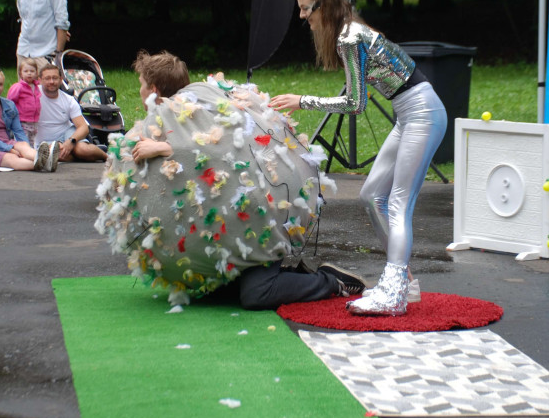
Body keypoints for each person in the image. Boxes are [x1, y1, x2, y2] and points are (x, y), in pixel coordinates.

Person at [123, 50, 367, 310]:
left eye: (140, 85)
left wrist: (167, 149)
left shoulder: (202, 110)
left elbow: (219, 151)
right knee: (220, 287)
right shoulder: (169, 121)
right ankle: (293, 275)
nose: (138, 91)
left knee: (256, 295)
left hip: (263, 217)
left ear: (154, 91)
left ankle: (329, 282)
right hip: (235, 226)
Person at [271, 0, 447, 317]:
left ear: (325, 6)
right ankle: (404, 282)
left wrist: (302, 100)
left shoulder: (349, 37)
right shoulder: (350, 31)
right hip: (410, 113)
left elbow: (355, 103)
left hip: (422, 113)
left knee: (397, 203)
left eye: (307, 9)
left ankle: (395, 291)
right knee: (370, 196)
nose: (303, 16)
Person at [0, 62, 59, 172]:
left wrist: (25, 147)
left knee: (22, 146)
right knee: (12, 158)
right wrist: (9, 149)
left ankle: (44, 158)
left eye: (0, 84)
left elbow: (18, 131)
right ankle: (44, 163)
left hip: (6, 142)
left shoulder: (9, 105)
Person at [34, 63, 107, 162]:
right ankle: (77, 156)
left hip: (66, 134)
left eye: (55, 78)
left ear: (60, 79)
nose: (51, 81)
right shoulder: (32, 95)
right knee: (55, 154)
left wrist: (71, 141)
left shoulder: (69, 100)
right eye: (47, 78)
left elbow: (83, 127)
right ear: (40, 80)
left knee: (83, 150)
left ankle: (108, 157)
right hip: (43, 140)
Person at [15, 0, 70, 80]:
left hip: (46, 53)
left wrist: (58, 54)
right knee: (23, 94)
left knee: (46, 95)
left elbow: (62, 22)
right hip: (23, 51)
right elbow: (25, 20)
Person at [8, 57, 41, 143]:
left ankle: (31, 155)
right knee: (23, 142)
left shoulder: (36, 87)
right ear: (20, 73)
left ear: (36, 73)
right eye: (26, 71)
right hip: (21, 121)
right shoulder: (18, 87)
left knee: (32, 141)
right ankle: (22, 155)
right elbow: (10, 101)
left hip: (34, 121)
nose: (29, 73)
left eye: (32, 71)